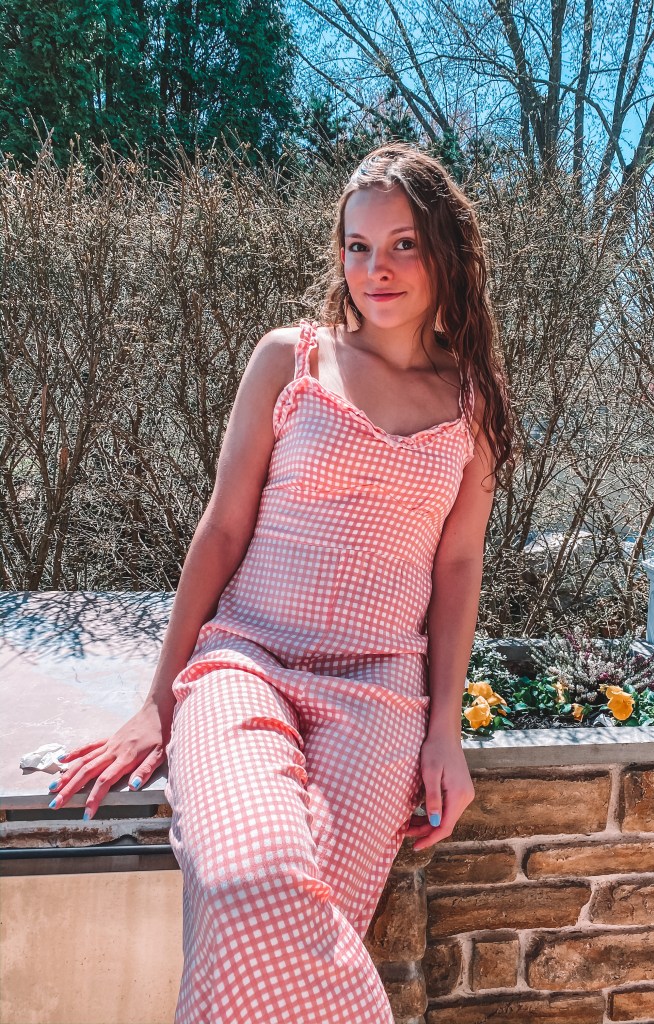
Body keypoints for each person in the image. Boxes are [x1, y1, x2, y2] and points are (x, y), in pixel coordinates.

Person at [47, 142, 515, 1023]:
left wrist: (443, 728)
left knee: (284, 931)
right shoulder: (289, 360)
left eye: (404, 245)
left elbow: (459, 564)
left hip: (379, 692)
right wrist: (157, 699)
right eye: (358, 246)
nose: (376, 269)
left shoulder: (473, 402)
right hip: (247, 663)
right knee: (245, 880)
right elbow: (223, 528)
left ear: (446, 252)